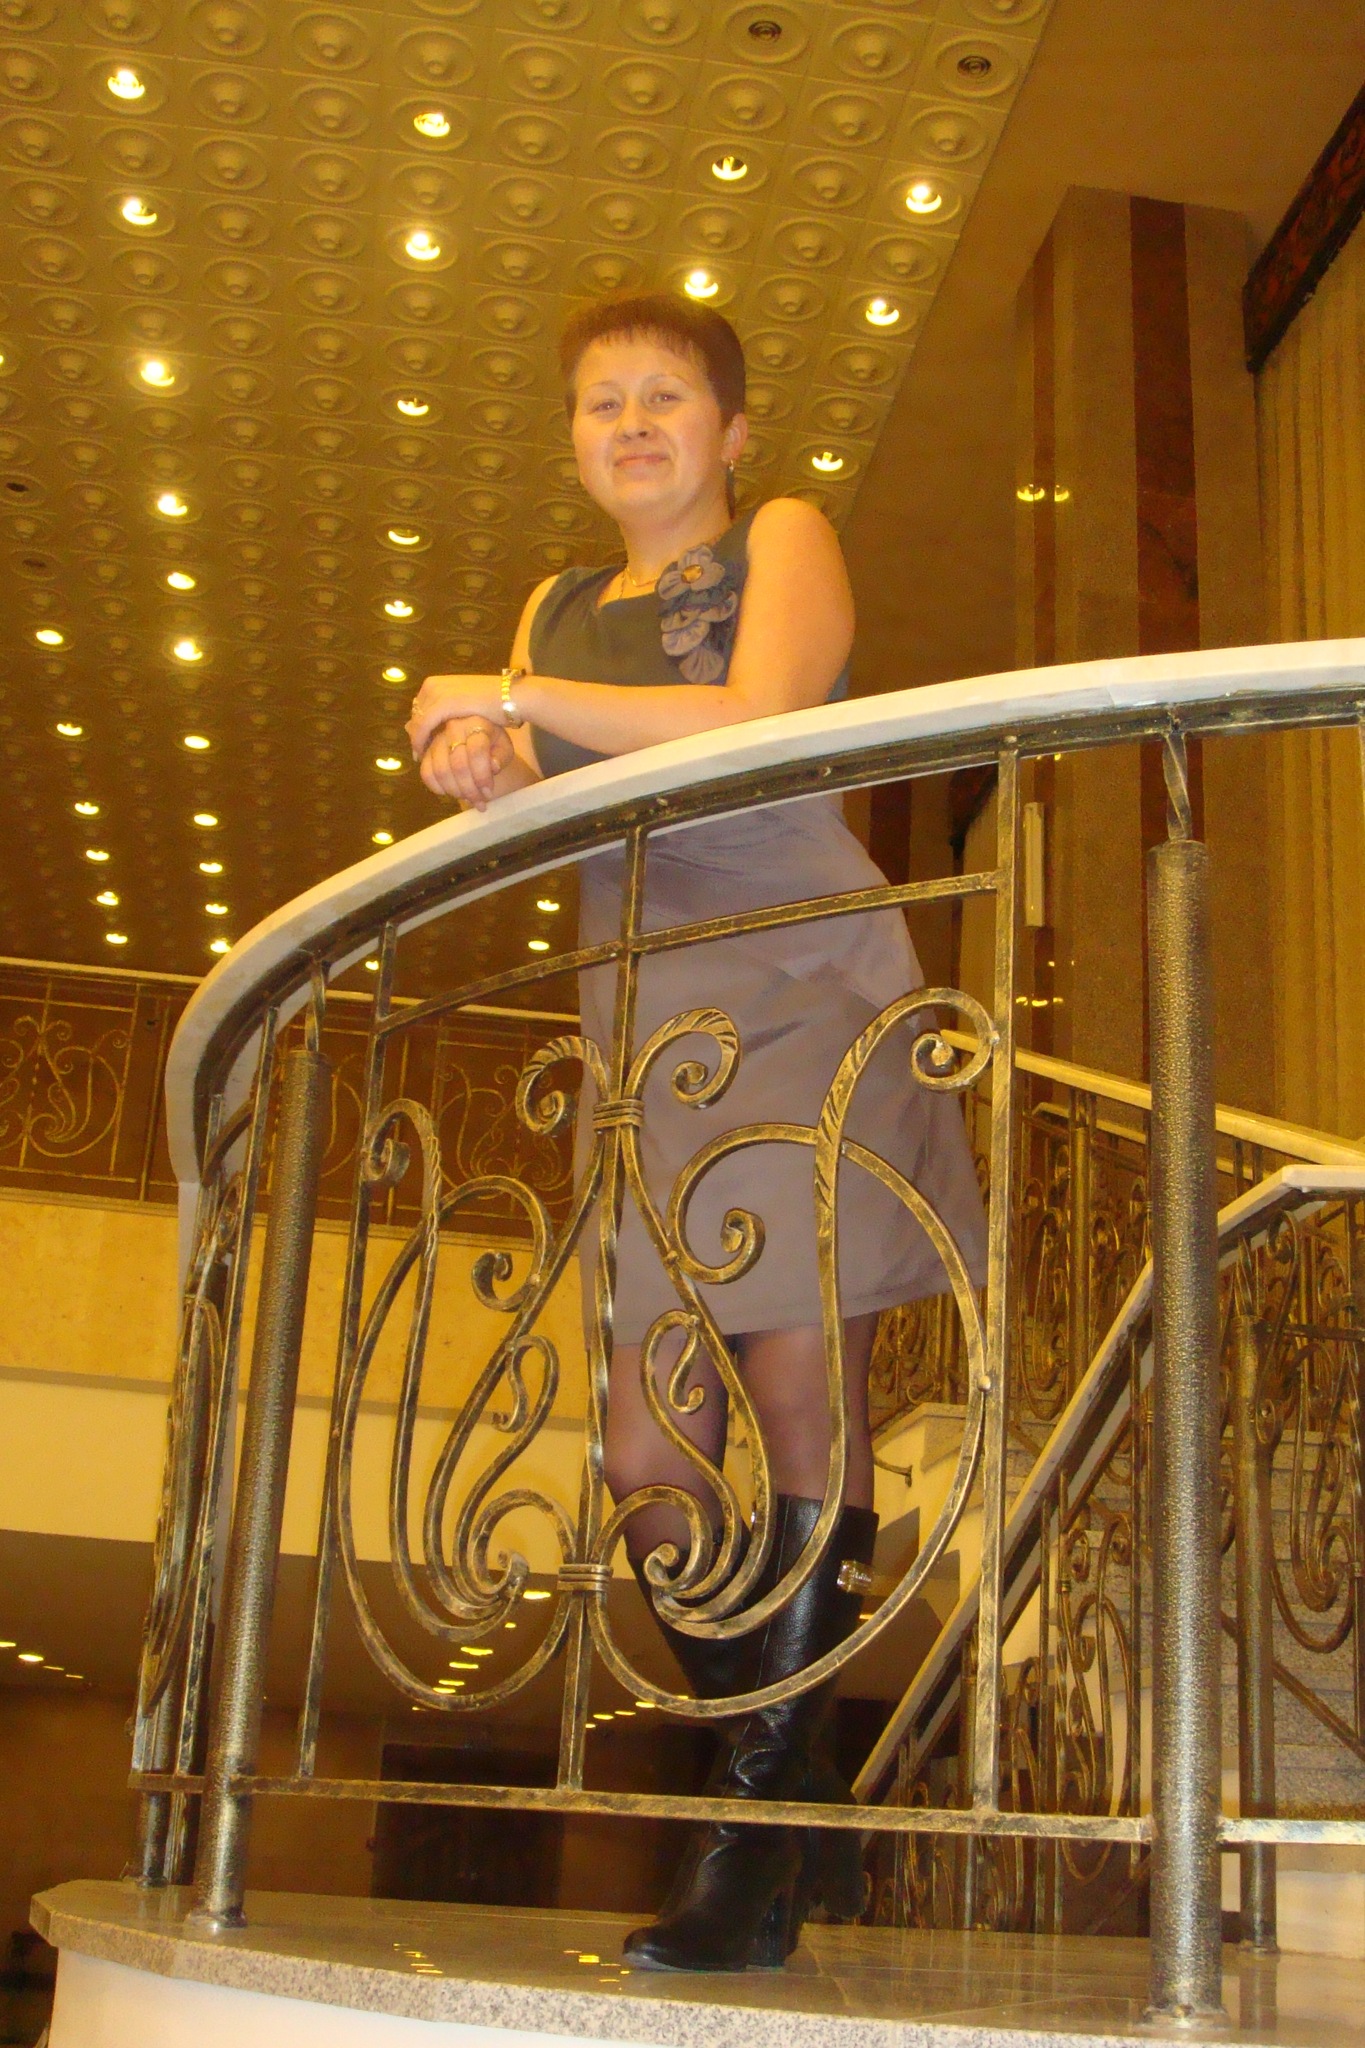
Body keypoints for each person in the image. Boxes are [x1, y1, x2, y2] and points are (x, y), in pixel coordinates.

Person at [406, 292, 987, 1972]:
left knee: (802, 1408)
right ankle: (793, 1795)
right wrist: (477, 754)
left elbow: (755, 717)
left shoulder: (782, 535)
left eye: (665, 397)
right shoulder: (555, 605)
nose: (634, 424)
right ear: (573, 442)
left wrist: (501, 693)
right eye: (603, 403)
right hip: (646, 1030)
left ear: (730, 433)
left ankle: (745, 1844)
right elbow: (545, 790)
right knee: (644, 1461)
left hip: (797, 988)